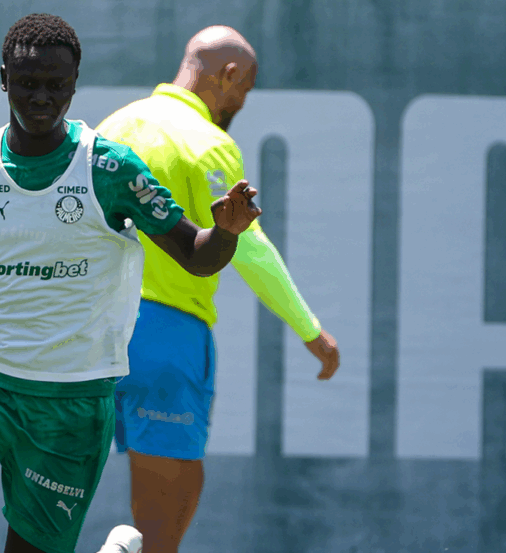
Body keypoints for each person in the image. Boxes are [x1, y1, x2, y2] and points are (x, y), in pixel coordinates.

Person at [0, 14, 259, 553]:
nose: (41, 97)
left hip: (71, 407)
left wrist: (225, 233)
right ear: (3, 80)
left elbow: (197, 256)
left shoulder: (109, 168)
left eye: (56, 85)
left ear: (74, 83)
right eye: (27, 83)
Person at [95, 25, 341, 553]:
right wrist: (310, 330)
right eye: (245, 89)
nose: (241, 103)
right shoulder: (208, 142)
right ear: (228, 76)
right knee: (167, 509)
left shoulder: (111, 127)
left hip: (87, 333)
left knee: (54, 494)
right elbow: (247, 249)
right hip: (165, 336)